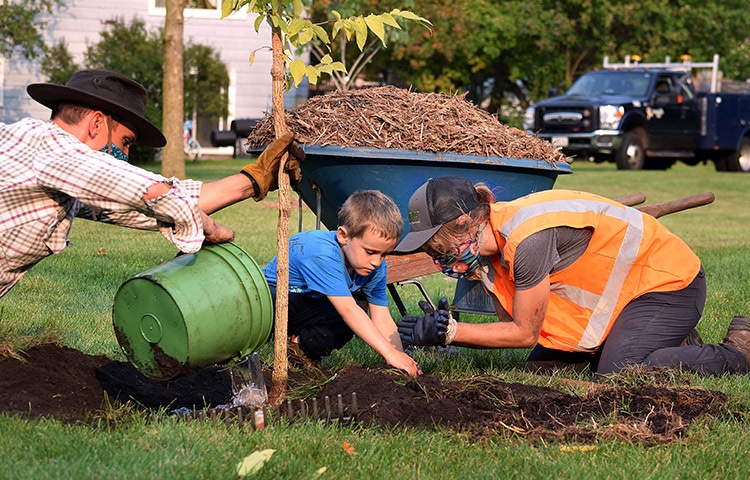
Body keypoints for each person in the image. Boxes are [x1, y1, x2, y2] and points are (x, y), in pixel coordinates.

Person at [394, 176, 750, 376]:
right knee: (541, 373)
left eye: (434, 246)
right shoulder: (491, 248)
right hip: (628, 297)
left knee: (618, 373)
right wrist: (451, 327)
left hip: (669, 283)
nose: (433, 255)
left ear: (462, 224)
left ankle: (737, 352)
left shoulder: (528, 241)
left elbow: (524, 332)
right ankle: (670, 339)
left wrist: (451, 333)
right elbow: (509, 325)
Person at [0, 69, 303, 298]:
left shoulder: (60, 176)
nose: (127, 155)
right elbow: (154, 191)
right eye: (126, 141)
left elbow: (152, 206)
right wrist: (209, 228)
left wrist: (252, 181)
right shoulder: (55, 151)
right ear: (95, 123)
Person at [263, 190, 422, 376]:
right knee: (352, 311)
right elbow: (348, 310)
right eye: (370, 252)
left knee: (357, 309)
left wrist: (399, 357)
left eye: (384, 254)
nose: (377, 262)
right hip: (272, 302)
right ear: (343, 236)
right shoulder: (321, 253)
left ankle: (299, 347)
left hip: (310, 304)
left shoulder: (375, 267)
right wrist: (388, 353)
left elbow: (382, 317)